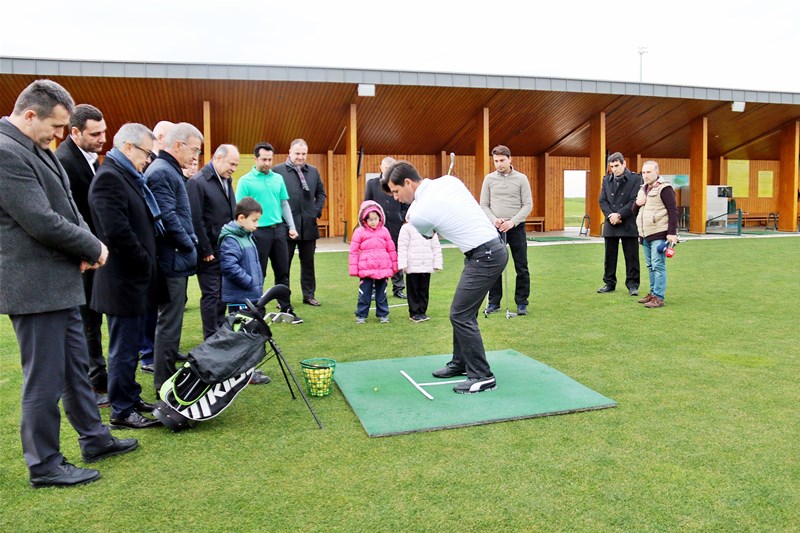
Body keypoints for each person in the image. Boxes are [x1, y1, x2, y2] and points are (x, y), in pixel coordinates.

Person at [0, 79, 137, 488]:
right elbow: (39, 219)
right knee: (43, 378)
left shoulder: (36, 147)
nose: (60, 135)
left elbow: (68, 206)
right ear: (30, 115)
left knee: (75, 369)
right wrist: (92, 246)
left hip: (59, 281)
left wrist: (87, 244)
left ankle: (94, 438)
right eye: (56, 126)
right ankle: (44, 464)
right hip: (34, 287)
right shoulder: (6, 152)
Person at [384, 162, 507, 394]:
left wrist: (414, 214)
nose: (396, 198)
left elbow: (427, 234)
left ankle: (483, 376)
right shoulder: (448, 181)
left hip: (485, 256)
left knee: (460, 314)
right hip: (488, 251)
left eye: (397, 191)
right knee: (462, 311)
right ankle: (461, 363)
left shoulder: (418, 214)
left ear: (408, 183)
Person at [88, 123, 162, 429]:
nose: (148, 159)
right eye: (146, 153)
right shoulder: (109, 177)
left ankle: (130, 396)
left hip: (133, 280)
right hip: (123, 280)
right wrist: (144, 260)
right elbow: (116, 231)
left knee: (131, 346)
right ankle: (121, 410)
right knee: (123, 348)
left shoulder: (125, 175)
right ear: (128, 147)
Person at [55, 103, 109, 406]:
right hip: (79, 257)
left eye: (103, 131)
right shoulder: (64, 161)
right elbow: (69, 214)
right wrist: (86, 250)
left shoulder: (91, 159)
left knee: (92, 319)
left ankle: (98, 377)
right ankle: (91, 382)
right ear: (75, 132)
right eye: (95, 134)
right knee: (85, 321)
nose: (103, 138)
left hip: (93, 252)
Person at [145, 122, 201, 395]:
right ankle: (164, 384)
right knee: (168, 323)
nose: (196, 156)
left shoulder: (168, 170)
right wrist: (189, 244)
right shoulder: (162, 172)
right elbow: (167, 218)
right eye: (195, 150)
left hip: (175, 258)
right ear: (178, 145)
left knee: (171, 322)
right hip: (171, 260)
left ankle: (167, 377)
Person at [236, 142, 303, 324]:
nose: (267, 163)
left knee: (283, 272)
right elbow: (239, 211)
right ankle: (257, 312)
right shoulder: (245, 181)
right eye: (264, 159)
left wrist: (291, 227)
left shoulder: (278, 179)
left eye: (270, 159)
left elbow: (284, 204)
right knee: (259, 273)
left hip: (279, 231)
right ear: (255, 159)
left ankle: (286, 308)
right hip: (257, 233)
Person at [187, 144, 240, 339]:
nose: (234, 168)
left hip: (225, 249)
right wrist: (205, 250)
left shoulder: (226, 179)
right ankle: (210, 337)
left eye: (236, 165)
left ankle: (220, 333)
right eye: (231, 164)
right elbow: (195, 219)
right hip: (208, 252)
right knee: (211, 294)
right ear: (218, 158)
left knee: (223, 294)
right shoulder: (197, 182)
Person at [218, 197, 271, 385]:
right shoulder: (231, 239)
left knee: (250, 335)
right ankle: (243, 373)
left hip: (250, 295)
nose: (257, 225)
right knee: (242, 337)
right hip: (240, 298)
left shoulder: (246, 235)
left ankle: (248, 369)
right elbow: (229, 266)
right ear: (241, 218)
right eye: (254, 220)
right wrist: (249, 281)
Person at [139, 120, 175, 373]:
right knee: (149, 305)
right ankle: (148, 353)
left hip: (158, 249)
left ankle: (160, 349)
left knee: (159, 304)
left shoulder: (157, 164)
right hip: (150, 247)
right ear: (160, 137)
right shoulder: (154, 167)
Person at [272, 139, 327, 307]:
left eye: (303, 154)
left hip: (308, 226)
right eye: (297, 153)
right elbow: (274, 196)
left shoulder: (313, 171)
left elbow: (321, 193)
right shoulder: (278, 171)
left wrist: (315, 211)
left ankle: (309, 295)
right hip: (285, 227)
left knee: (308, 264)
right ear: (290, 152)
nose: (300, 157)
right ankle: (282, 298)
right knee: (283, 266)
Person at [479, 145, 532, 316]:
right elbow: (484, 205)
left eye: (502, 160)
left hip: (516, 227)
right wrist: (494, 219)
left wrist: (512, 222)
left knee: (521, 265)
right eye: (496, 161)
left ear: (510, 159)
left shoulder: (521, 179)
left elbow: (528, 205)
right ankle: (494, 302)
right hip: (495, 227)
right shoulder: (489, 179)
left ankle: (522, 302)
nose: (499, 164)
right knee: (495, 265)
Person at [632, 160, 679, 308]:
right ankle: (652, 294)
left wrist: (672, 233)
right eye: (643, 172)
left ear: (657, 172)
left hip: (659, 233)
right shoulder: (642, 189)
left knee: (658, 265)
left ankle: (658, 297)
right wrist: (637, 203)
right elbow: (634, 211)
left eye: (649, 172)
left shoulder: (665, 189)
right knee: (650, 266)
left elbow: (673, 211)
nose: (645, 175)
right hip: (645, 234)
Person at [597, 152, 643, 296]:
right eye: (611, 166)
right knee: (609, 256)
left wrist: (620, 215)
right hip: (611, 222)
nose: (614, 169)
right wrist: (611, 215)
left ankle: (632, 285)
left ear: (624, 164)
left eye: (616, 166)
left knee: (632, 257)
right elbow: (602, 200)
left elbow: (634, 200)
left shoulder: (636, 179)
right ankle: (609, 283)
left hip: (628, 221)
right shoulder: (606, 180)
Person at [365, 156, 408, 299]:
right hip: (377, 229)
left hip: (396, 227)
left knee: (396, 257)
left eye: (391, 168)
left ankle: (398, 288)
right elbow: (367, 204)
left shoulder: (399, 184)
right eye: (386, 168)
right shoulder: (372, 184)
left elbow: (406, 204)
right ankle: (374, 289)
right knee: (376, 258)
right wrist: (371, 222)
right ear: (381, 168)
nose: (388, 170)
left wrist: (401, 217)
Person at [349, 200, 398, 324]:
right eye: (370, 219)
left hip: (383, 267)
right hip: (366, 268)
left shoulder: (384, 231)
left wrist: (394, 265)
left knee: (382, 293)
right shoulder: (359, 232)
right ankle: (361, 315)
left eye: (376, 219)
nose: (373, 222)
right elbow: (353, 251)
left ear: (380, 218)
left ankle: (383, 314)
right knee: (364, 293)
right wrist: (353, 269)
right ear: (364, 219)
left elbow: (391, 249)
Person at [397, 220, 443, 322]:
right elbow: (402, 246)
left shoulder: (429, 227)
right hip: (412, 265)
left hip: (426, 264)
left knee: (424, 290)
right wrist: (403, 264)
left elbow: (436, 246)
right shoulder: (406, 228)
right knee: (413, 290)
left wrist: (437, 263)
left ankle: (422, 311)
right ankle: (414, 313)